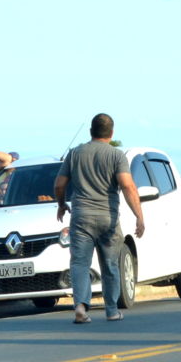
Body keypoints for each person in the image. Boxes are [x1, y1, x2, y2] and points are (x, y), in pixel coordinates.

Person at [54, 113, 145, 324]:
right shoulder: (116, 155)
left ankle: (80, 306)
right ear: (111, 133)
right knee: (110, 264)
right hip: (108, 218)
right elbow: (127, 186)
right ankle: (111, 310)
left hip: (81, 217)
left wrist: (61, 205)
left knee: (79, 263)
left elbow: (59, 184)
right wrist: (139, 216)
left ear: (90, 131)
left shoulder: (75, 154)